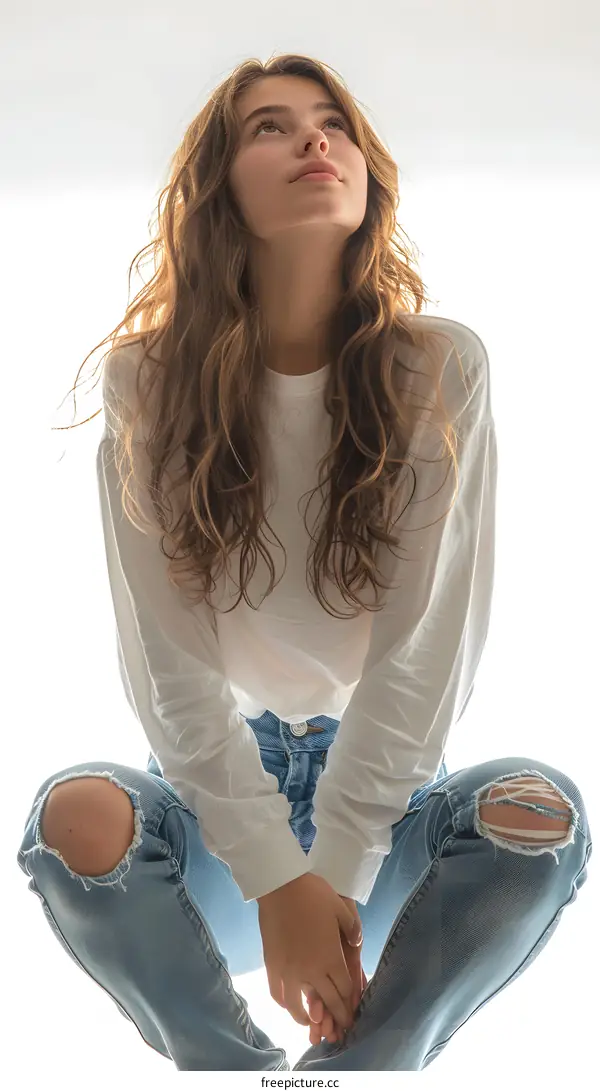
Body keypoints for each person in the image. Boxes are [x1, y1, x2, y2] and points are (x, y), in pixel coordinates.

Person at [17, 53, 592, 1072]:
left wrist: (336, 860)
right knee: (77, 812)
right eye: (270, 127)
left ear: (367, 172)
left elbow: (422, 656)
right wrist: (278, 876)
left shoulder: (438, 365)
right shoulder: (146, 381)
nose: (315, 141)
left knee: (542, 811)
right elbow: (168, 666)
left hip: (392, 801)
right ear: (218, 184)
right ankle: (232, 1068)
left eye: (334, 123)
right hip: (213, 810)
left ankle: (358, 1067)